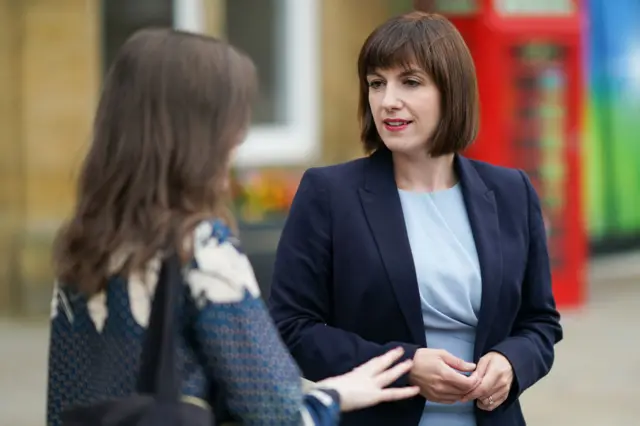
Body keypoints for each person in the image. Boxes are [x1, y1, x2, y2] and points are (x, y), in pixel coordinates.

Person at [46, 28, 421, 426]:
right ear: (199, 132)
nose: (239, 137)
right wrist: (337, 394)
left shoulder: (87, 242)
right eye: (232, 119)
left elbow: (65, 405)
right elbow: (279, 414)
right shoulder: (202, 246)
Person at [268, 11, 563, 426]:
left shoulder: (512, 192)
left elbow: (540, 322)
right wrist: (406, 366)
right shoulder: (328, 194)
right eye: (376, 83)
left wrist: (511, 361)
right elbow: (291, 328)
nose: (388, 100)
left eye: (410, 82)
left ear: (452, 92)